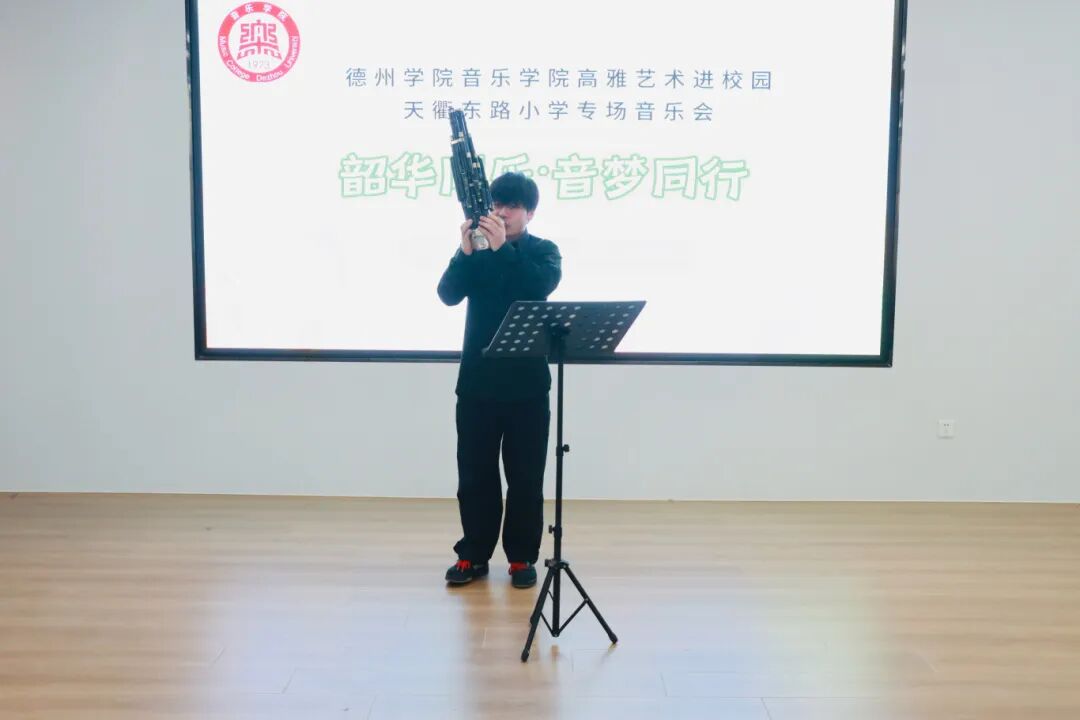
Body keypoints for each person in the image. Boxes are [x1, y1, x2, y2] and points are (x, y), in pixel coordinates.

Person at [437, 172, 562, 589]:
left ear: (530, 213)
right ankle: (473, 554)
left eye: (512, 206)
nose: (502, 213)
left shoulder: (543, 251)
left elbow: (538, 287)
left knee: (526, 477)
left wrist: (502, 248)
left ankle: (521, 557)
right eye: (497, 205)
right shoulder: (476, 251)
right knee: (475, 475)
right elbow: (447, 294)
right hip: (477, 384)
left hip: (528, 387)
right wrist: (465, 252)